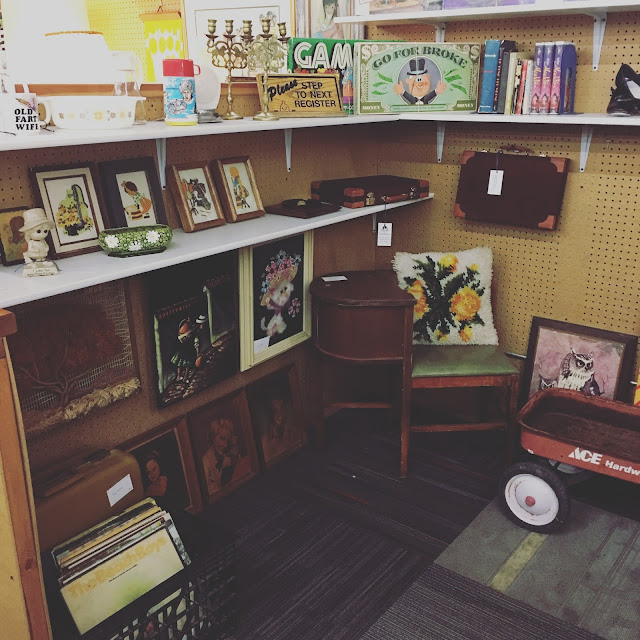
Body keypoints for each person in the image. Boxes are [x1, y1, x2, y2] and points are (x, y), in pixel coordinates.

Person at [201, 417, 250, 496]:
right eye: (222, 438)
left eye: (228, 440)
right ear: (213, 437)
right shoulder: (205, 463)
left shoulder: (229, 454)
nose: (225, 445)